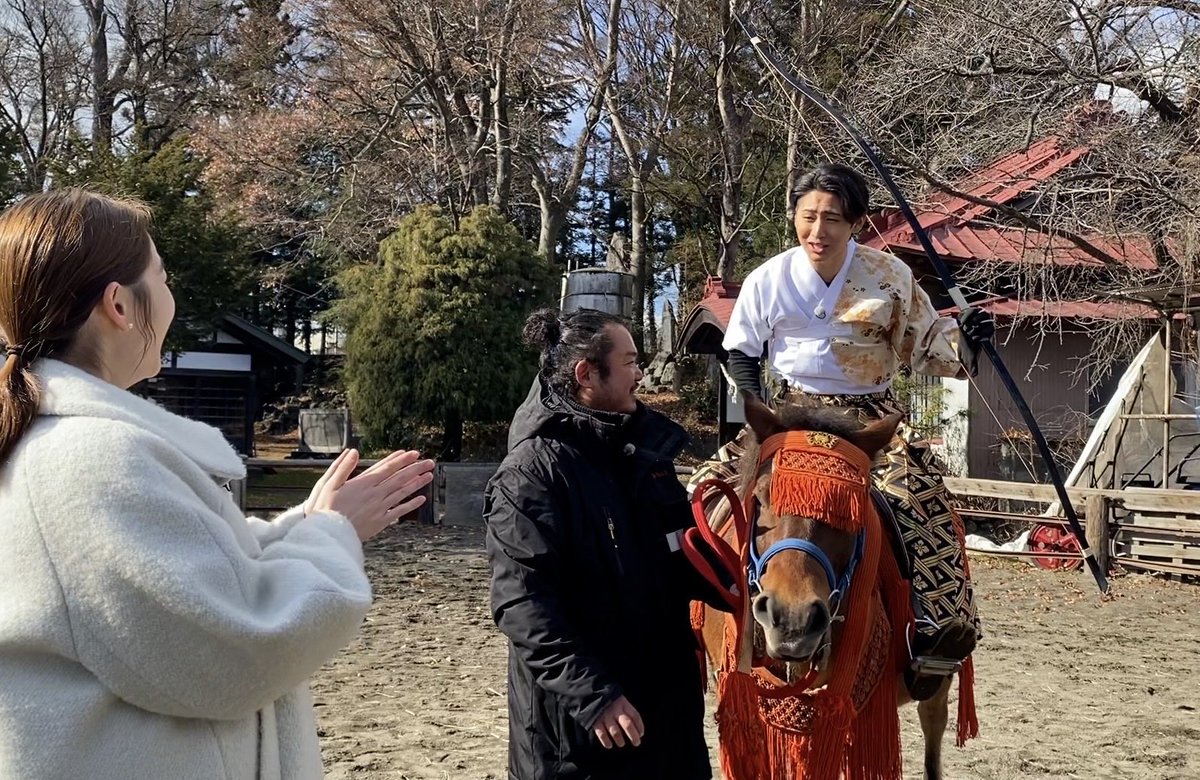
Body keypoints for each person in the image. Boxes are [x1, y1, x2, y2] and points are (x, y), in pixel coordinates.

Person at [0, 189, 436, 779]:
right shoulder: (91, 459)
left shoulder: (63, 446)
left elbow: (181, 579)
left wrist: (302, 528)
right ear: (120, 306)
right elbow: (241, 645)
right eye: (162, 276)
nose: (172, 298)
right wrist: (330, 536)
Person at [699, 162, 994, 701]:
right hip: (792, 416)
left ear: (855, 222)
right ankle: (689, 621)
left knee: (920, 503)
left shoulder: (889, 276)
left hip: (869, 422)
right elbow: (740, 349)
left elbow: (934, 347)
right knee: (704, 491)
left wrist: (970, 339)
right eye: (808, 217)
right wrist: (759, 412)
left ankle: (933, 631)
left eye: (832, 219)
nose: (818, 231)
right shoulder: (770, 278)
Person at [484, 308, 728, 780]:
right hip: (577, 737)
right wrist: (594, 697)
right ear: (586, 373)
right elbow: (523, 606)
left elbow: (685, 555)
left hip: (665, 718)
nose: (640, 374)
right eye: (631, 362)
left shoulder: (644, 456)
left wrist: (749, 587)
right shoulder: (530, 476)